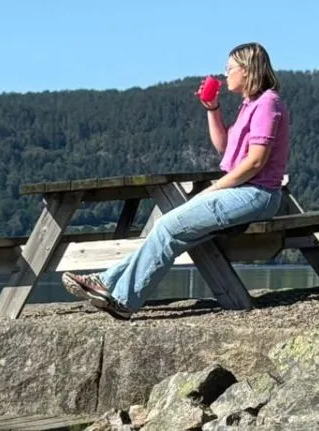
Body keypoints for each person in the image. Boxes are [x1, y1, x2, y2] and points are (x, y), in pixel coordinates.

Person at [64, 43, 290, 318]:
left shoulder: (268, 103)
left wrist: (214, 188)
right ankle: (109, 285)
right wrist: (213, 109)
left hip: (256, 193)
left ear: (247, 69)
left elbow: (256, 162)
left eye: (229, 68)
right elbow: (225, 148)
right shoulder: (249, 105)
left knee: (169, 225)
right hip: (244, 191)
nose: (225, 74)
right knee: (169, 230)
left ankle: (121, 299)